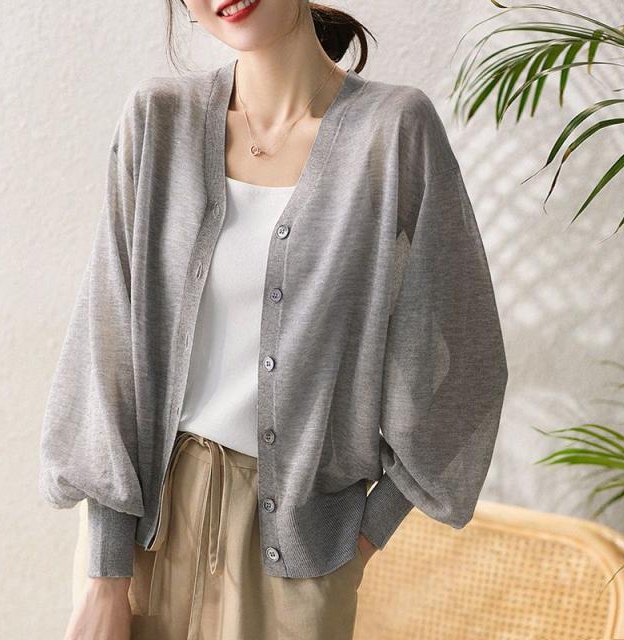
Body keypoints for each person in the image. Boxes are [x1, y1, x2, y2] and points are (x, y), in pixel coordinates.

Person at [38, 1, 509, 639]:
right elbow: (107, 353)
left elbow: (468, 364)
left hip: (297, 563)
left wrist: (362, 537)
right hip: (136, 549)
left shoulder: (393, 131)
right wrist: (103, 577)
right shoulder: (159, 120)